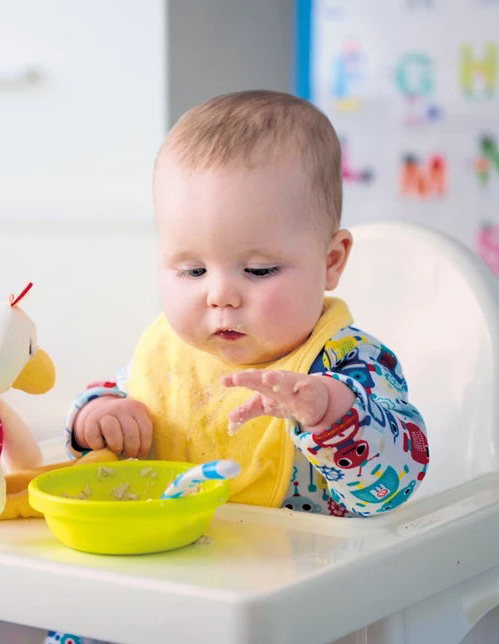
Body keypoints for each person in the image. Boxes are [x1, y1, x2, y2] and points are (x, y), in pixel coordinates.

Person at [46, 90, 429, 643]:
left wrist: (329, 412)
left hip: (294, 601)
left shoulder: (349, 364)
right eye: (192, 270)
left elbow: (390, 486)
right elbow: (113, 411)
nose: (220, 295)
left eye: (258, 269)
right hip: (164, 582)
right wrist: (100, 416)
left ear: (331, 261)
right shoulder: (168, 355)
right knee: (78, 617)